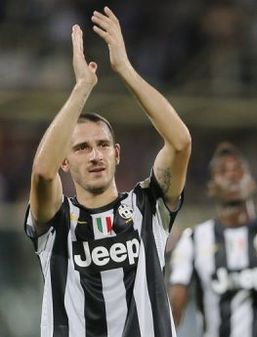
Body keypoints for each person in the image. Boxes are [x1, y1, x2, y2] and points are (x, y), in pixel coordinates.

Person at [25, 7, 191, 337]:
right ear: (65, 162)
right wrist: (82, 88)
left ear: (116, 155)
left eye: (103, 145)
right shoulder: (57, 219)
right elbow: (42, 174)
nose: (95, 155)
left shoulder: (148, 206)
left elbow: (180, 142)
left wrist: (124, 68)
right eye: (82, 148)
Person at [168, 142, 257, 337]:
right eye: (223, 171)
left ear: (252, 182)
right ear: (211, 187)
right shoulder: (193, 240)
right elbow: (176, 306)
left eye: (239, 169)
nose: (232, 174)